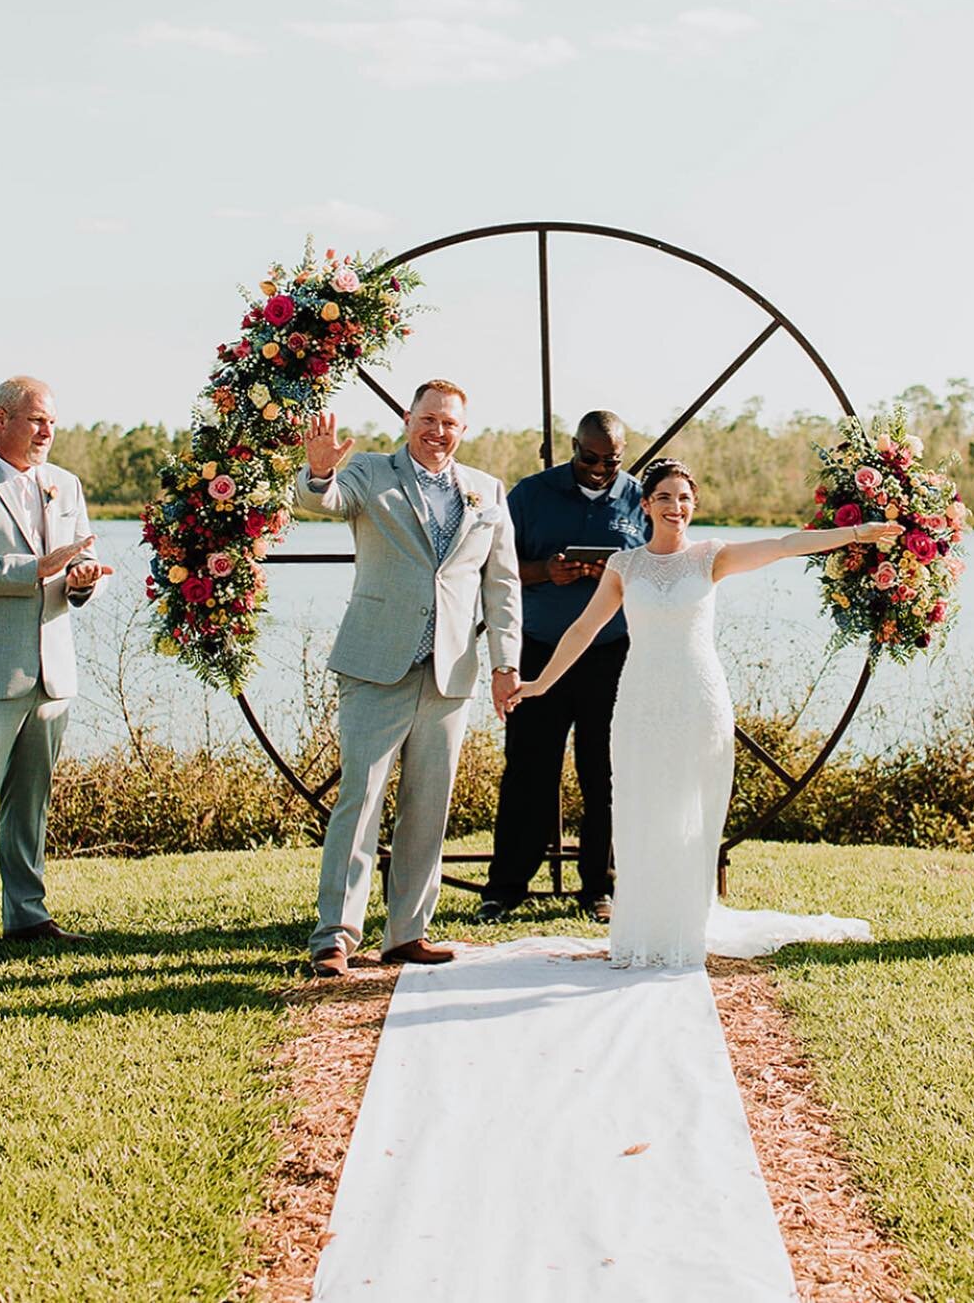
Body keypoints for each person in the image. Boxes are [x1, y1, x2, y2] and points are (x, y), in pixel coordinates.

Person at [507, 458, 894, 967]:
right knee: (639, 807)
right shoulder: (625, 567)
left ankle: (686, 924)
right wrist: (539, 684)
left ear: (695, 506)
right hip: (641, 699)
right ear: (645, 506)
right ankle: (641, 925)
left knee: (693, 810)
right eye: (664, 497)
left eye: (684, 498)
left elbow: (783, 546)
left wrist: (858, 532)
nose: (676, 507)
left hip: (698, 698)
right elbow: (582, 630)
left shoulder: (711, 557)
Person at [297, 380, 522, 975]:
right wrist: (318, 473)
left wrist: (505, 663)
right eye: (428, 419)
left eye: (449, 423)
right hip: (377, 663)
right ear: (407, 418)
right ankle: (335, 936)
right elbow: (325, 500)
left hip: (450, 672)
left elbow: (501, 586)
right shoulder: (370, 473)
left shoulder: (486, 492)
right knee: (360, 798)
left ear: (462, 429)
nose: (437, 431)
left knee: (429, 805)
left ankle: (406, 933)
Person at [0, 377, 111, 960]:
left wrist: (81, 583)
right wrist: (36, 568)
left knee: (32, 803)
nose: (47, 431)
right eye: (35, 420)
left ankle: (26, 915)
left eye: (51, 421)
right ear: (0, 420)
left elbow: (75, 570)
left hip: (51, 673)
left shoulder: (66, 484)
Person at [480, 411, 647, 923]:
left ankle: (600, 887)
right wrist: (546, 571)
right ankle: (506, 888)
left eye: (611, 461)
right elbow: (497, 570)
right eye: (589, 457)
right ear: (572, 446)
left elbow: (659, 570)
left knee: (606, 772)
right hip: (541, 648)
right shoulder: (531, 495)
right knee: (529, 770)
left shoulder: (640, 498)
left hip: (611, 653)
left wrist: (614, 576)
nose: (600, 469)